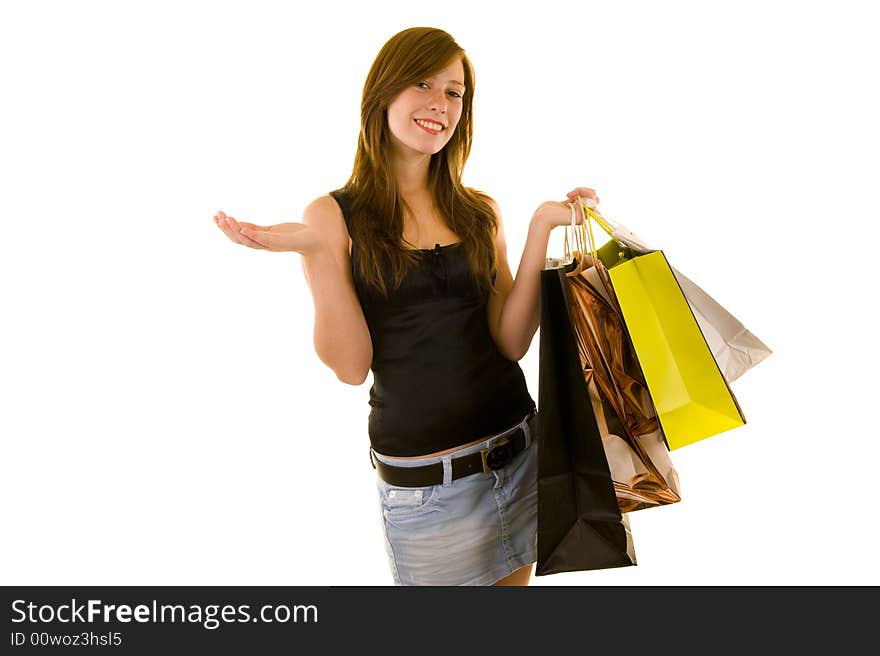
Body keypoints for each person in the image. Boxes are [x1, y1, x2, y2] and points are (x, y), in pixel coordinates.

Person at [212, 26, 600, 586]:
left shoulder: (479, 212)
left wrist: (541, 227)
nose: (439, 105)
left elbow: (511, 342)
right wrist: (318, 253)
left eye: (454, 92)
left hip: (516, 456)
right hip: (426, 492)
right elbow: (350, 367)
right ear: (383, 93)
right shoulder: (331, 216)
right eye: (423, 83)